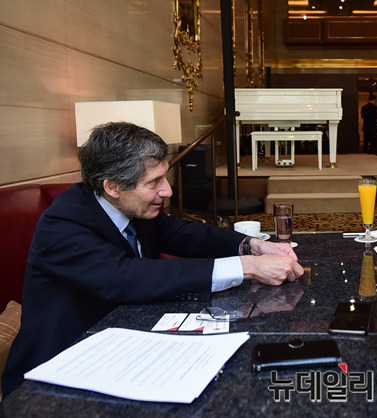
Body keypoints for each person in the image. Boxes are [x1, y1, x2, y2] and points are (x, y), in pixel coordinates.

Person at [2, 122, 304, 396]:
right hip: (56, 375)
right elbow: (125, 277)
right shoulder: (63, 224)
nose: (167, 190)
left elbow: (182, 233)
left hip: (122, 349)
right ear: (113, 186)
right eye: (154, 182)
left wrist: (251, 246)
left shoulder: (131, 207)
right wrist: (246, 268)